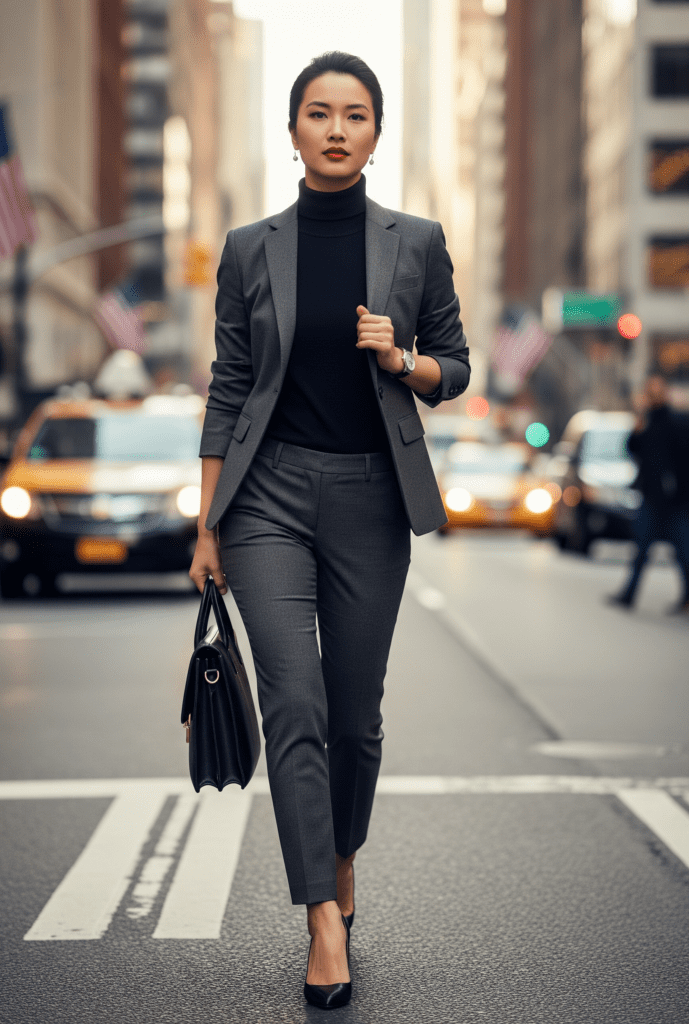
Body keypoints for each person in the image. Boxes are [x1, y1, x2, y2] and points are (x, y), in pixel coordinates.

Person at [189, 51, 470, 1009]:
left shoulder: (418, 242)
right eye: (319, 113)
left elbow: (458, 365)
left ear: (376, 134)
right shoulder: (247, 247)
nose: (337, 129)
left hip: (369, 498)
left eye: (355, 114)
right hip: (265, 498)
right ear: (294, 130)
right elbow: (229, 387)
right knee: (295, 706)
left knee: (355, 720)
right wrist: (208, 524)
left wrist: (406, 359)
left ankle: (342, 855)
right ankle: (320, 917)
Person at [608, 375, 689, 612]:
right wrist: (637, 426)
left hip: (677, 501)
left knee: (683, 552)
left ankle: (685, 597)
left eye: (655, 392)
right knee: (642, 548)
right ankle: (629, 594)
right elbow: (632, 449)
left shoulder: (678, 422)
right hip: (652, 498)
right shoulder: (646, 421)